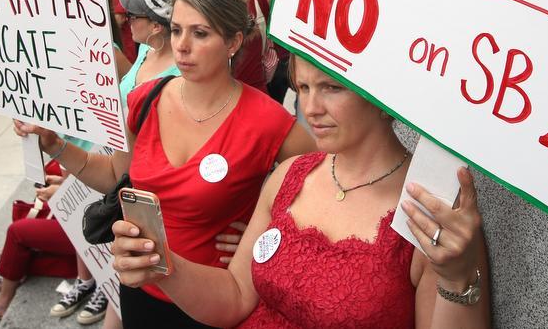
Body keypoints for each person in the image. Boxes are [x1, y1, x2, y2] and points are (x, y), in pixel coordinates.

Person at [17, 0, 315, 328]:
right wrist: (57, 145)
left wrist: (264, 240)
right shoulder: (146, 99)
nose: (182, 46)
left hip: (213, 303)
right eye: (176, 30)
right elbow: (114, 175)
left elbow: (325, 190)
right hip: (140, 290)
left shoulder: (269, 121)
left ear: (234, 41)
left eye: (200, 33)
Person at [110, 55, 491, 328]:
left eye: (331, 88)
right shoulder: (291, 175)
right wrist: (162, 265)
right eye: (303, 87)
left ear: (381, 97)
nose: (310, 108)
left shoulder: (432, 211)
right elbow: (236, 297)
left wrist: (458, 279)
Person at [0, 165, 79, 321]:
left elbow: (107, 186)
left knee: (17, 232)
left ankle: (3, 302)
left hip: (92, 227)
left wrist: (62, 190)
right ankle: (14, 272)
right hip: (86, 217)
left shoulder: (120, 147)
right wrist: (63, 184)